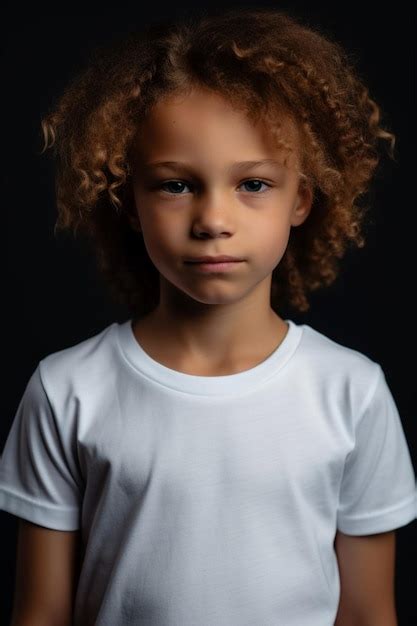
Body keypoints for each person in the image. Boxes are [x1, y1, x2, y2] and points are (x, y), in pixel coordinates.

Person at [1, 7, 415, 626]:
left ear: (300, 199)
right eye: (175, 185)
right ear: (129, 200)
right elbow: (40, 614)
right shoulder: (67, 391)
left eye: (253, 184)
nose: (213, 220)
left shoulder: (351, 393)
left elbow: (366, 614)